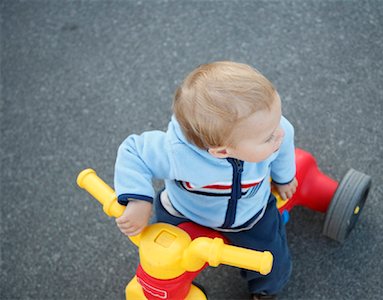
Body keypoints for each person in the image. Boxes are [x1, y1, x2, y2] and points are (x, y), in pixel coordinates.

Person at [114, 61, 298, 299]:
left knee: (272, 259)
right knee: (162, 257)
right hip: (183, 212)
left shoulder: (277, 131)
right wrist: (138, 200)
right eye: (269, 136)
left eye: (278, 120)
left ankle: (265, 289)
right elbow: (134, 152)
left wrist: (284, 179)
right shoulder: (176, 152)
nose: (280, 133)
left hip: (249, 215)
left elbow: (283, 150)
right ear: (222, 151)